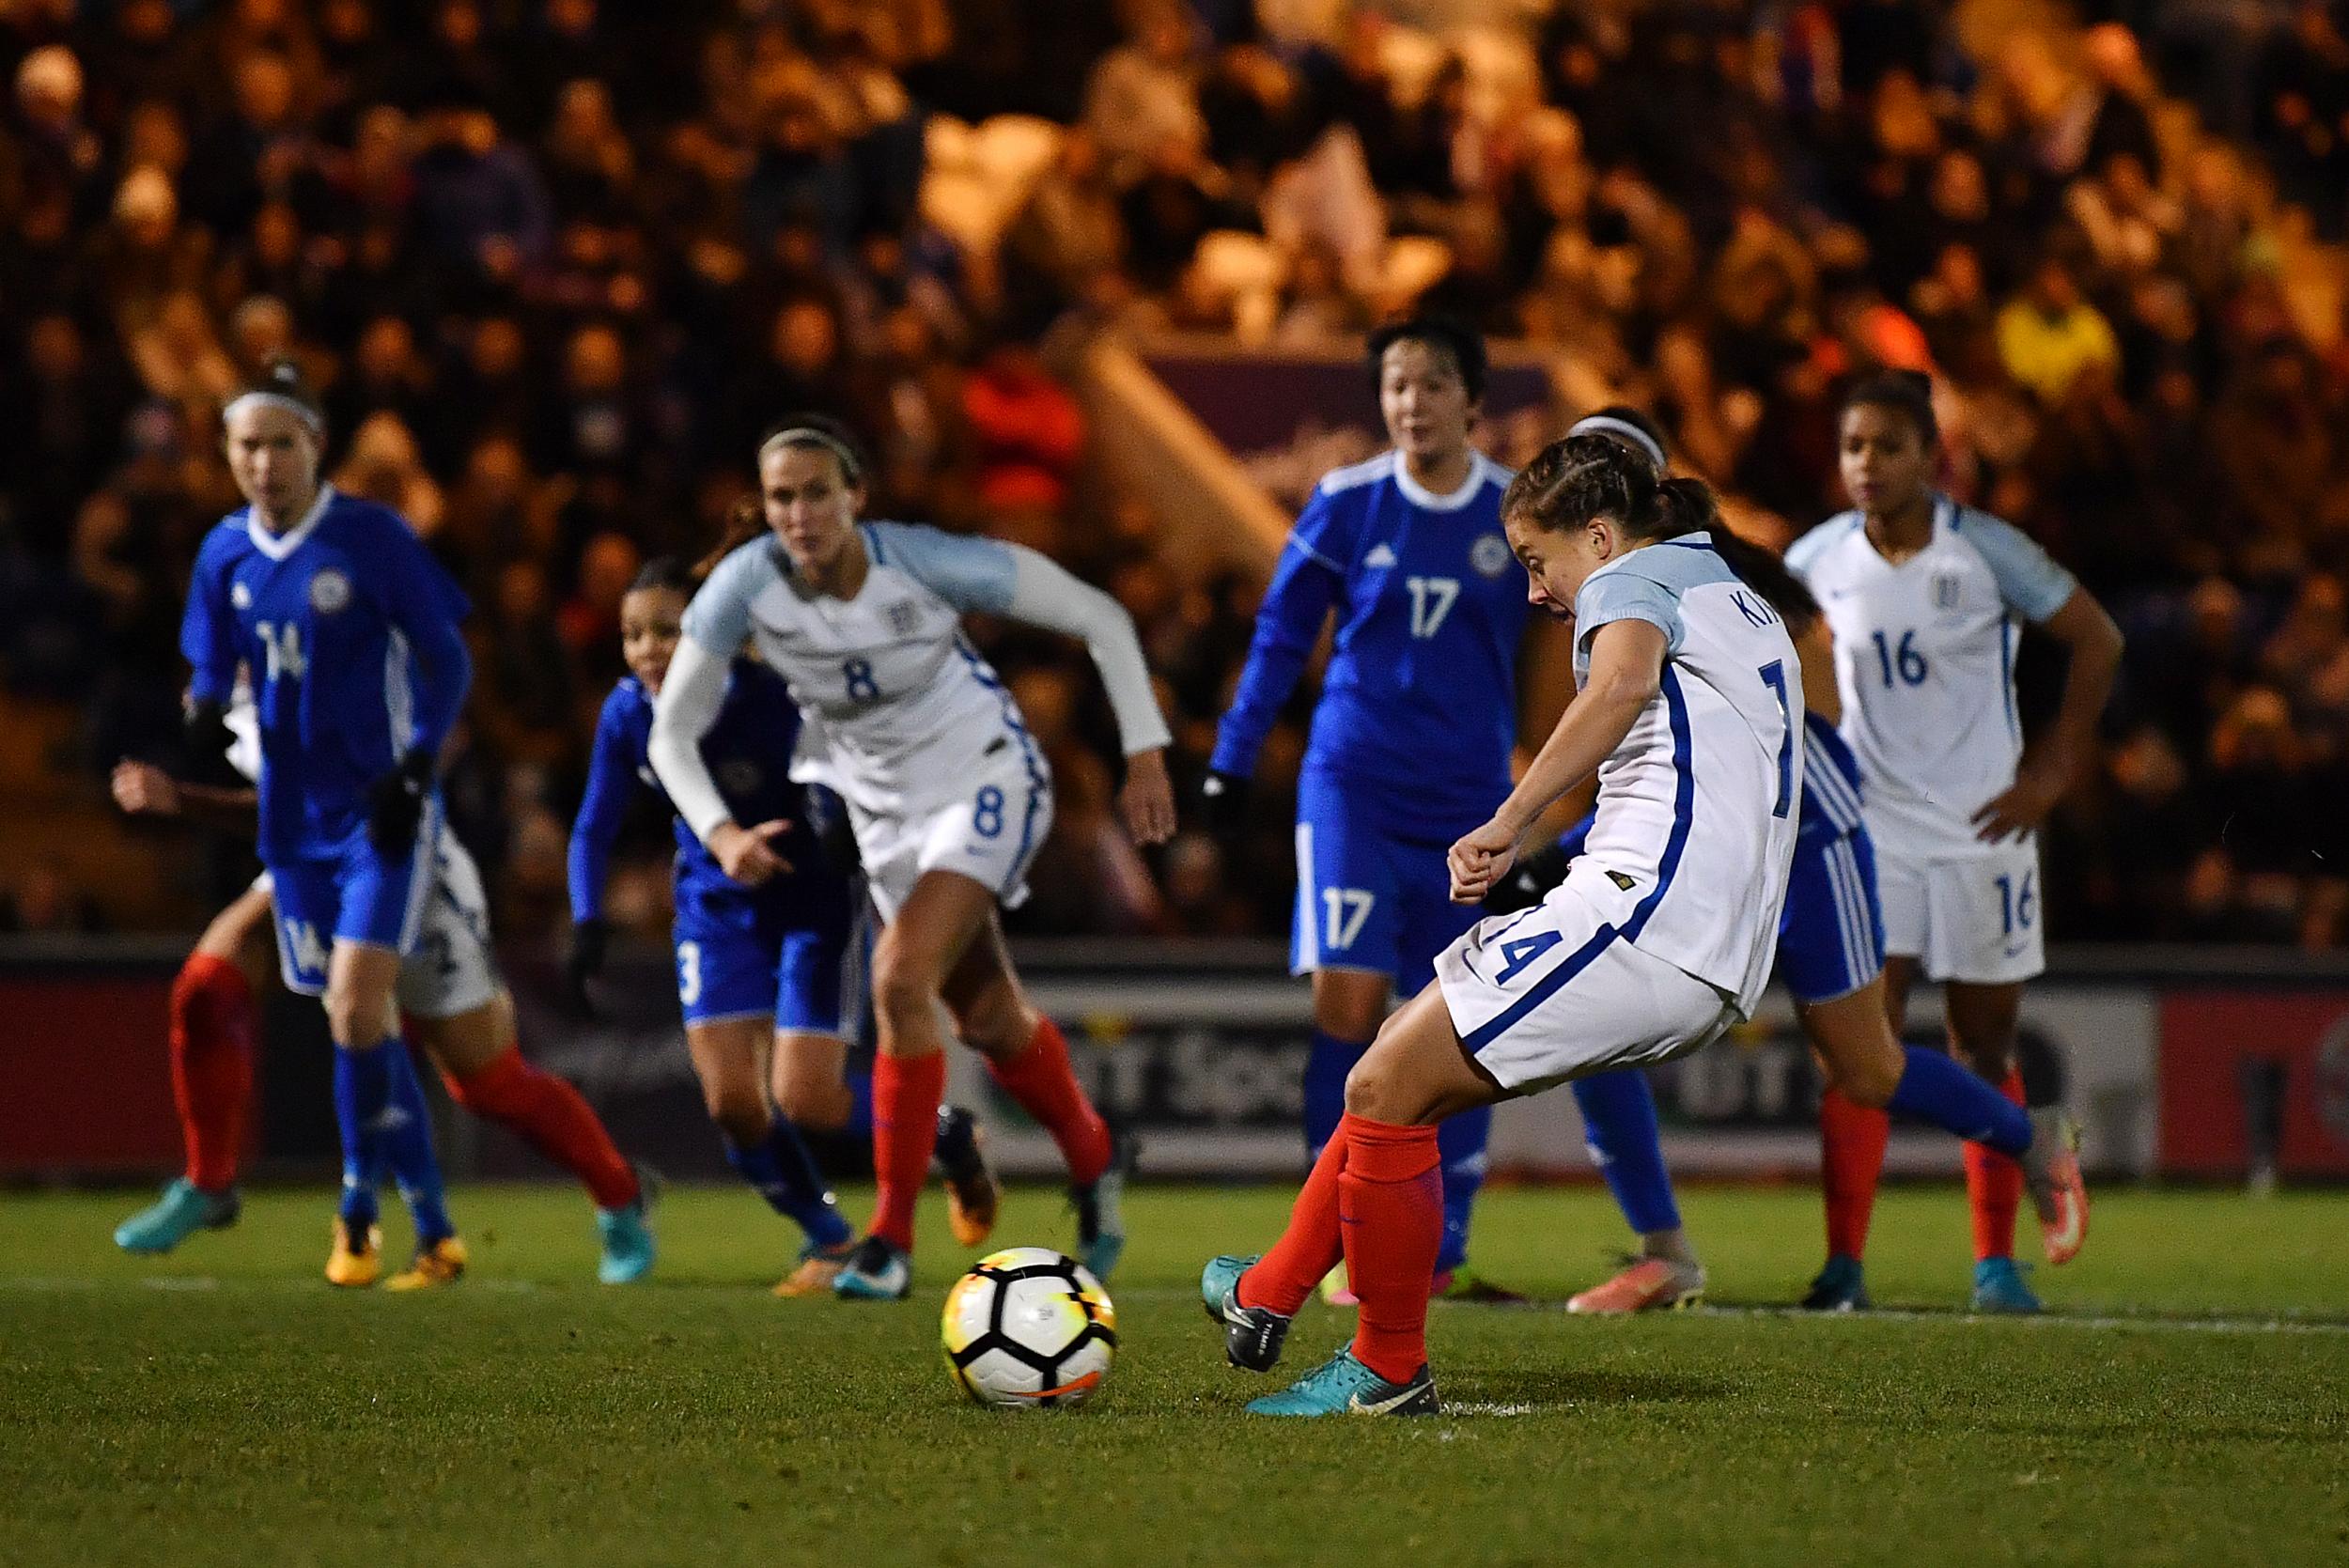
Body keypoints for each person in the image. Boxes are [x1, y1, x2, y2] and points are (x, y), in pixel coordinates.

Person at [1201, 435, 1804, 1417]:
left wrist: (1508, 818)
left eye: (1536, 561)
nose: (1532, 591)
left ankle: (1388, 1365)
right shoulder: (1733, 592)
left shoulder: (1628, 580)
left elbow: (1620, 687)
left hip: (1645, 916)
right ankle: (1270, 1290)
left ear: (1599, 535)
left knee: (1384, 1079)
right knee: (1398, 1064)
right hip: (1696, 935)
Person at [1486, 409, 2089, 1314]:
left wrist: (1528, 832)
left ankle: (2025, 1137)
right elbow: (1599, 753)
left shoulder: (1718, 575)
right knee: (1590, 1024)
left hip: (1805, 835)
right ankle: (1665, 1250)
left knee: (1867, 1068)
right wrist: (1552, 841)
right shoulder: (1596, 597)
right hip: (1693, 844)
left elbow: (1803, 723)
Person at [650, 414, 1177, 1300]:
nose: (801, 512)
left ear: (855, 497)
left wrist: (1145, 748)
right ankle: (1095, 1153)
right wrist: (723, 834)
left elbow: (1098, 614)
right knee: (986, 1018)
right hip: (886, 819)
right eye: (783, 495)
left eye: (819, 492)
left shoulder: (926, 560)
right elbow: (672, 736)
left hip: (985, 777)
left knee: (898, 978)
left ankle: (889, 1240)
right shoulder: (742, 587)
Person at [1201, 315, 1531, 1302]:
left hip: (1469, 797)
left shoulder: (1515, 515)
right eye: (1395, 386)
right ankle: (1335, 1240)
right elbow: (1279, 634)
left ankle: (1442, 1249)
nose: (1411, 404)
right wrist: (1230, 757)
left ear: (1471, 399)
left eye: (1432, 385)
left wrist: (1544, 791)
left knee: (1459, 1018)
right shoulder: (1345, 502)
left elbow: (1564, 649)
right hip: (1354, 782)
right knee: (1347, 1002)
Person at [566, 557, 999, 1296]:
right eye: (632, 634)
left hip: (812, 907)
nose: (647, 650)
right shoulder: (628, 713)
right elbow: (593, 825)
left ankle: (945, 1132)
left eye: (666, 630)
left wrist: (836, 830)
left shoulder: (776, 699)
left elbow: (856, 770)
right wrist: (586, 917)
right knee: (734, 1104)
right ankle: (829, 1237)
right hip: (716, 909)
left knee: (805, 1099)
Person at [1786, 372, 2123, 1312]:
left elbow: (2097, 639)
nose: (1866, 464)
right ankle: (1843, 1267)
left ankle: (1993, 1264)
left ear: (1928, 455)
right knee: (1860, 1046)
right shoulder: (1814, 558)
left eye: (1886, 446)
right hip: (1868, 834)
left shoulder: (1985, 550)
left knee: (1984, 1042)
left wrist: (2054, 770)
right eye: (1852, 446)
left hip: (1981, 830)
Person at [107, 723, 656, 1285]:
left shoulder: (347, 652)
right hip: (312, 865)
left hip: (405, 863)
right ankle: (213, 1183)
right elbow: (288, 805)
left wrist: (185, 800)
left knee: (490, 1085)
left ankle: (618, 1195)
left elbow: (414, 752)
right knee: (208, 990)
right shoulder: (248, 663)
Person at [177, 360, 476, 1289]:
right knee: (363, 1020)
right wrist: (196, 701)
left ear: (315, 445)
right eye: (246, 446)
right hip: (289, 823)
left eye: (280, 442)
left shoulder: (371, 538)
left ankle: (356, 1209)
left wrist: (420, 759)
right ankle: (433, 1225)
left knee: (354, 1005)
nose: (263, 462)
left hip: (379, 810)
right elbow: (211, 658)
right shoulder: (223, 551)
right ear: (229, 454)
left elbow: (447, 658)